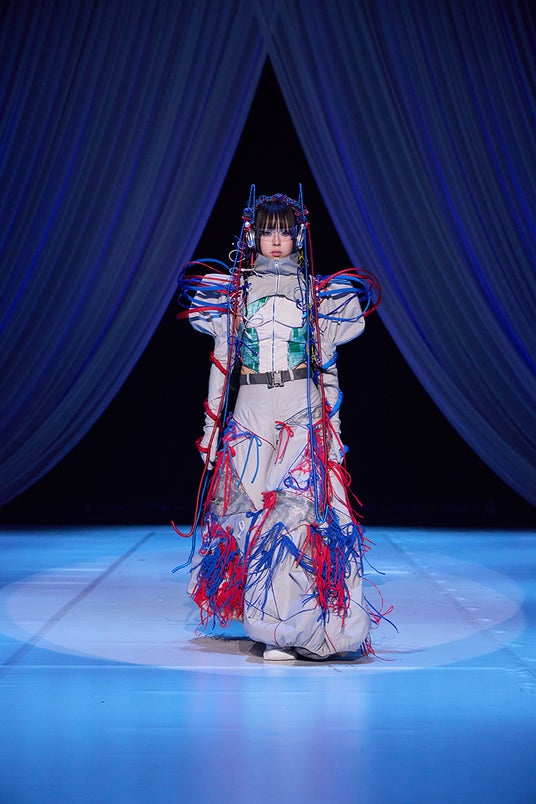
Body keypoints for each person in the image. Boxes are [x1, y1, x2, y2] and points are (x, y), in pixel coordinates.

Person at [176, 188, 382, 660]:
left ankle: (294, 627)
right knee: (247, 508)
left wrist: (334, 430)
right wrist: (210, 430)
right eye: (267, 232)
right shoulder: (231, 291)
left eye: (284, 233)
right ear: (252, 235)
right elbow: (222, 363)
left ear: (298, 237)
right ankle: (267, 622)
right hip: (251, 405)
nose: (275, 242)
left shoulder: (319, 293)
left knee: (293, 511)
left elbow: (327, 366)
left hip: (299, 404)